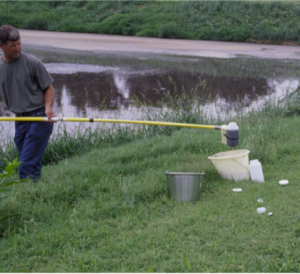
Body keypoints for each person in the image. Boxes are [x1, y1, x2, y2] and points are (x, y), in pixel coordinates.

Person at [0, 25, 56, 182]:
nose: (17, 48)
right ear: (1, 46)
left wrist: (48, 107)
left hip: (39, 117)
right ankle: (37, 194)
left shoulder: (33, 62)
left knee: (26, 164)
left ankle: (28, 196)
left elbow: (49, 89)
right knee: (29, 161)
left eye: (19, 44)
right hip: (20, 119)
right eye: (13, 46)